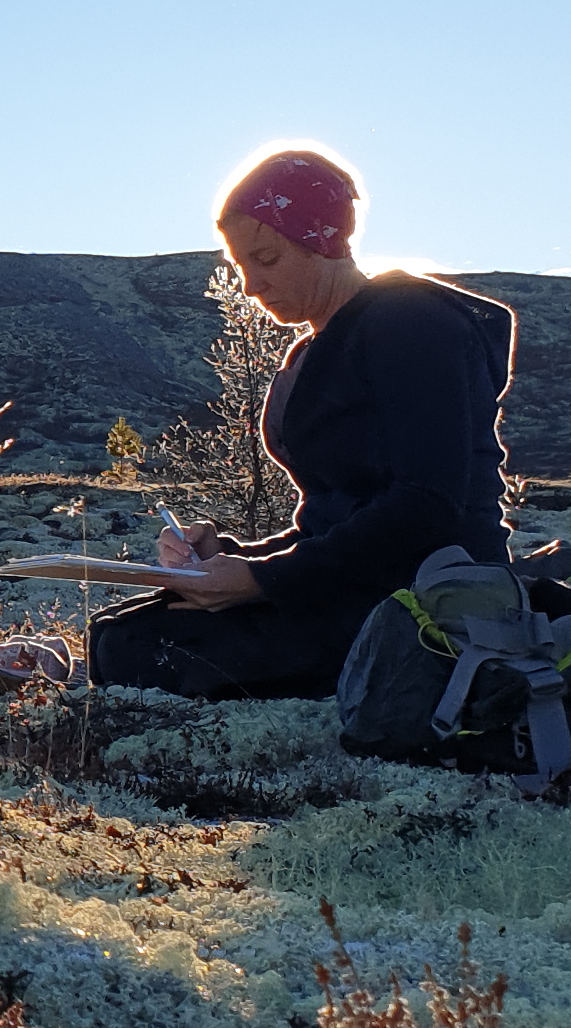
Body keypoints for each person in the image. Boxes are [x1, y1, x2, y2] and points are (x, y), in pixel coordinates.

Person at [65, 145, 516, 700]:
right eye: (240, 266)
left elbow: (426, 506)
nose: (251, 285)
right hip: (360, 586)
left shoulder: (410, 324)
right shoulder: (316, 349)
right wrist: (230, 558)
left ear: (322, 240)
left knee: (132, 644)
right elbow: (329, 525)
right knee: (124, 628)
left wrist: (262, 581)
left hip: (432, 599)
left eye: (268, 258)